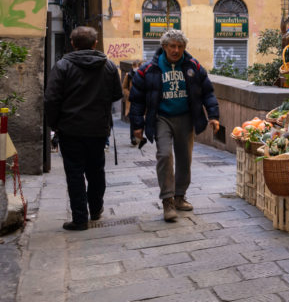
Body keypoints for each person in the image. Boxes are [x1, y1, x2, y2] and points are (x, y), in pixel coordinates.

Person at [130, 29, 220, 222]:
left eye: (180, 46)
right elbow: (136, 99)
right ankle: (167, 201)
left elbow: (208, 92)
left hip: (186, 117)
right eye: (172, 46)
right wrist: (137, 125)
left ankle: (180, 196)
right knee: (164, 155)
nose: (176, 50)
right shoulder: (149, 69)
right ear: (164, 47)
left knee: (184, 159)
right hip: (161, 118)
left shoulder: (193, 66)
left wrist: (213, 115)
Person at [44, 26, 122, 231]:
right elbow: (116, 94)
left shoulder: (62, 66)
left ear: (73, 43)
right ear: (95, 44)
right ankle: (96, 209)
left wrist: (54, 124)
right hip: (98, 129)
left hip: (70, 130)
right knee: (96, 171)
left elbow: (51, 98)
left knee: (75, 173)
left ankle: (80, 219)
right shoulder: (109, 66)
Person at [121, 59, 141, 144]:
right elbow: (124, 87)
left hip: (141, 101)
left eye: (137, 66)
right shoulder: (128, 75)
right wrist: (129, 94)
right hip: (132, 101)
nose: (135, 68)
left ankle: (138, 137)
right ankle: (133, 138)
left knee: (139, 120)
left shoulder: (144, 75)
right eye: (134, 66)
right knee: (132, 120)